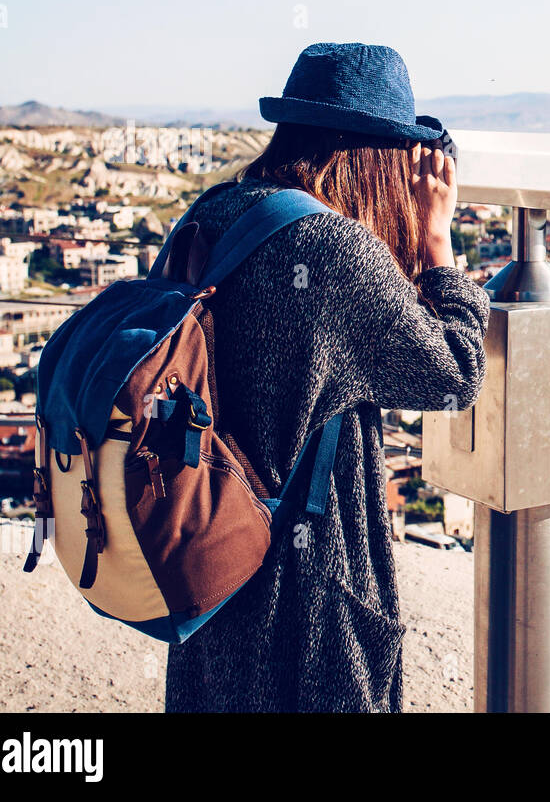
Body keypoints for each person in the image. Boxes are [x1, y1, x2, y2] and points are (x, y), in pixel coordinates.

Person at [164, 43, 489, 712]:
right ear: (375, 155)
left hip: (205, 558)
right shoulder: (335, 250)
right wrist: (437, 246)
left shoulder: (213, 212)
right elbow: (453, 375)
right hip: (306, 585)